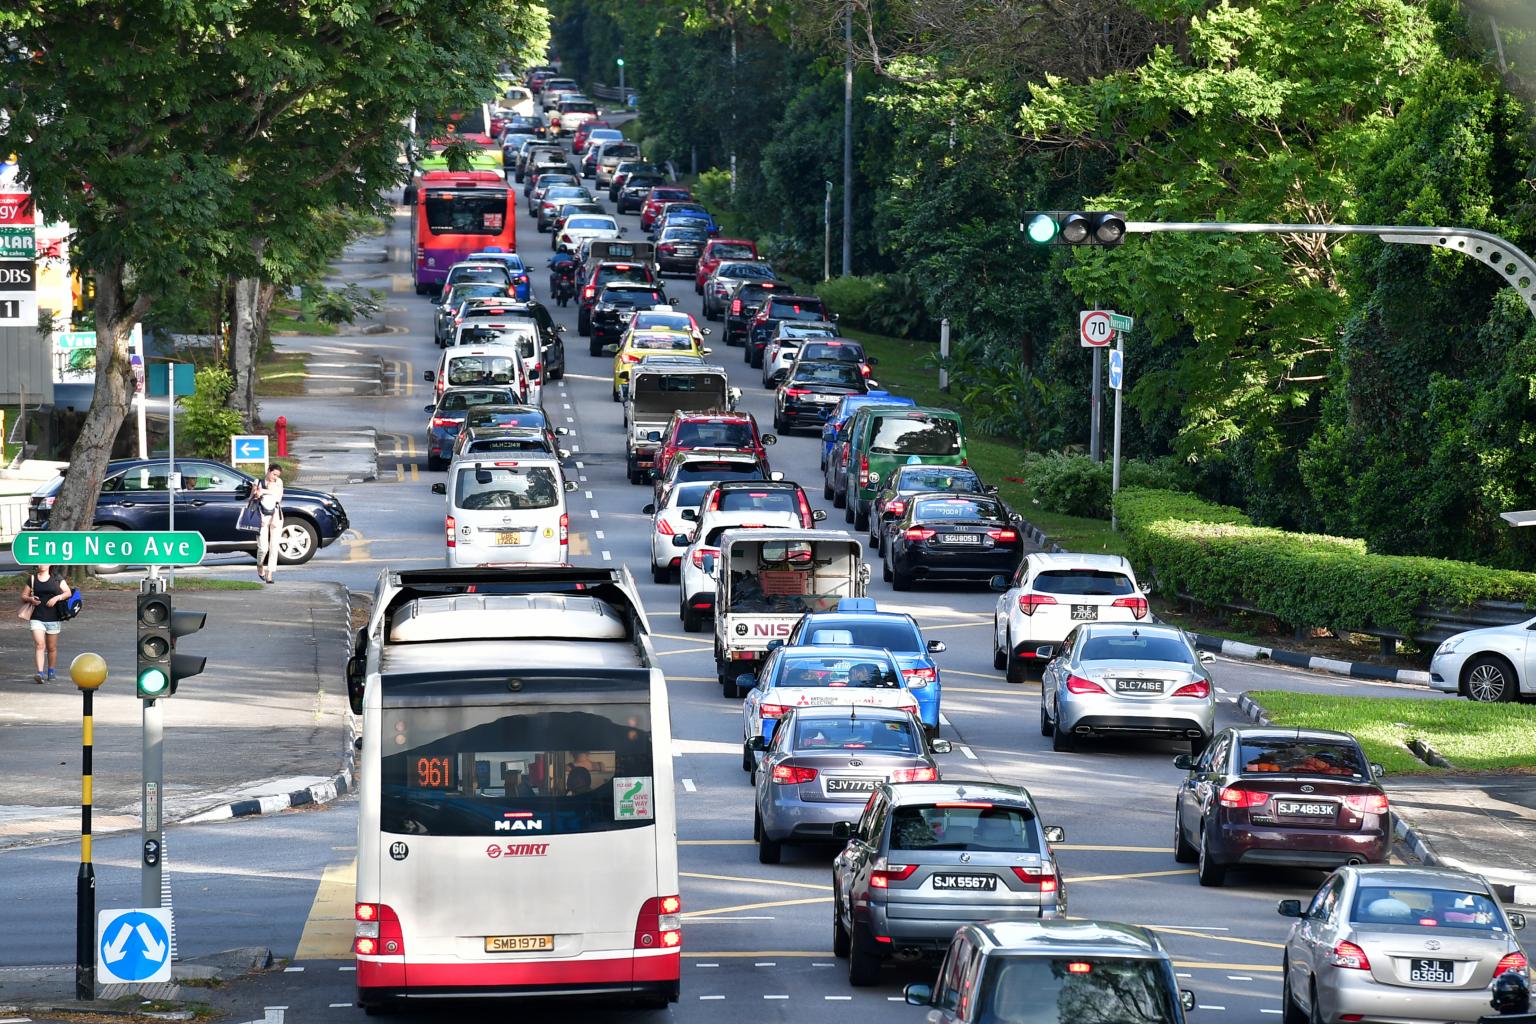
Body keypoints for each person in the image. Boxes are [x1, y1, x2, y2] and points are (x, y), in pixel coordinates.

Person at [21, 566, 72, 684]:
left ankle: (51, 671)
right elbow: (23, 595)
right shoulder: (33, 579)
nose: (41, 565)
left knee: (52, 647)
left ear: (50, 564)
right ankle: (40, 673)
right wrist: (30, 599)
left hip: (53, 618)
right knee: (40, 645)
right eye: (39, 563)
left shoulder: (56, 578)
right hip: (37, 617)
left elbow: (68, 592)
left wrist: (57, 598)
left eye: (44, 562)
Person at [252, 465, 284, 584]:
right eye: (274, 474)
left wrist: (266, 490)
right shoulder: (258, 482)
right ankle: (260, 565)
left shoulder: (279, 482)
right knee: (263, 548)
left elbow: (279, 497)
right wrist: (257, 493)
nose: (275, 477)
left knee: (274, 546)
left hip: (276, 517)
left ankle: (270, 574)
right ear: (268, 471)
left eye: (277, 475)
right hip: (261, 517)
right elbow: (253, 496)